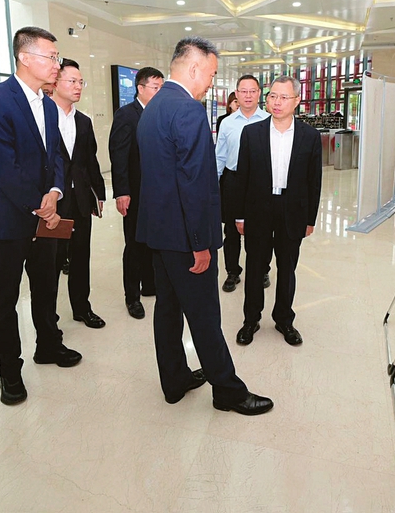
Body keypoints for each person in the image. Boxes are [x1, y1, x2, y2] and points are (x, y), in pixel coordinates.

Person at [136, 36, 273, 416]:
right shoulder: (188, 110)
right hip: (185, 237)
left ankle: (174, 380)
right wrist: (200, 243)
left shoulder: (153, 106)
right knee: (205, 316)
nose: (212, 82)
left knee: (168, 309)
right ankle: (227, 391)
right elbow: (194, 184)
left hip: (160, 233)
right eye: (211, 74)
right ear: (194, 68)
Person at [0, 26, 80, 407]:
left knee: (46, 285)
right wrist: (40, 203)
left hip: (44, 216)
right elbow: (3, 167)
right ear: (24, 57)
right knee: (4, 299)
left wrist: (55, 192)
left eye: (56, 57)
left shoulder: (48, 106)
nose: (57, 65)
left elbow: (56, 158)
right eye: (51, 57)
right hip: (5, 220)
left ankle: (48, 344)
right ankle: (9, 370)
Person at [233, 76, 322, 346]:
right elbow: (242, 177)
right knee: (255, 267)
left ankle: (284, 319)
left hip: (292, 210)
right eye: (272, 96)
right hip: (259, 209)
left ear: (297, 101)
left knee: (287, 268)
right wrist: (239, 215)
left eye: (284, 97)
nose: (277, 102)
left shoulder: (309, 136)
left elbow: (314, 181)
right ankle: (251, 320)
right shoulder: (252, 133)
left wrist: (310, 219)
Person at [51, 58, 107, 329]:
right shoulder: (42, 117)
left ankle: (82, 308)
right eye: (72, 81)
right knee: (51, 261)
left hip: (81, 199)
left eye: (81, 82)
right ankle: (48, 318)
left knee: (81, 257)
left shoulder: (83, 121)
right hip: (53, 203)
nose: (78, 87)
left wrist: (99, 194)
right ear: (55, 82)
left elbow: (89, 160)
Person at [109, 66, 165, 320]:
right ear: (140, 88)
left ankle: (150, 285)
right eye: (155, 87)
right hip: (135, 191)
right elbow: (119, 155)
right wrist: (122, 191)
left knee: (153, 240)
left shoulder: (159, 113)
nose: (159, 92)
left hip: (157, 192)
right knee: (134, 244)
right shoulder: (126, 115)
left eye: (161, 87)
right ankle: (132, 296)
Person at [215, 75, 270, 293]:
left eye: (252, 91)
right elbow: (220, 156)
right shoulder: (227, 123)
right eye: (243, 91)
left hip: (260, 182)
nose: (248, 95)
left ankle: (262, 269)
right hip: (233, 180)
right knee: (231, 230)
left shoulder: (269, 120)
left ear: (259, 94)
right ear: (236, 94)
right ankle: (233, 271)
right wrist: (214, 183)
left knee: (262, 229)